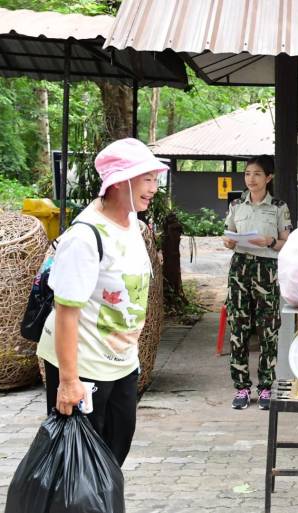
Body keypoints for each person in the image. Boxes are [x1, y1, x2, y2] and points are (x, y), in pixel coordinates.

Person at [36, 138, 166, 466]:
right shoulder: (84, 236)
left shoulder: (133, 224)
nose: (154, 188)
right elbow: (66, 311)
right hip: (84, 366)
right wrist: (68, 382)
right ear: (121, 182)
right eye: (147, 179)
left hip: (121, 363)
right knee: (78, 464)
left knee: (114, 452)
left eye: (155, 179)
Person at [223, 155, 292, 410]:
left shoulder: (278, 207)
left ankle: (265, 388)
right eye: (247, 174)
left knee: (268, 329)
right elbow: (227, 234)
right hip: (240, 267)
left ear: (269, 177)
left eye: (257, 174)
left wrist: (271, 242)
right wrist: (228, 241)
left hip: (267, 269)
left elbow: (287, 242)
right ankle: (241, 388)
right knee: (238, 328)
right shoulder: (236, 205)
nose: (251, 179)